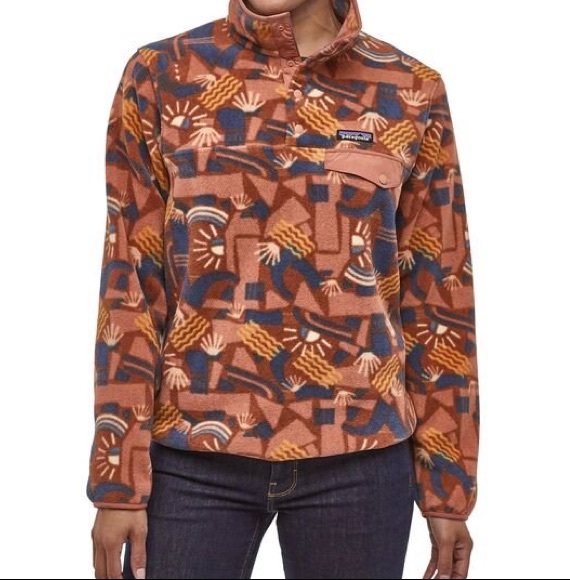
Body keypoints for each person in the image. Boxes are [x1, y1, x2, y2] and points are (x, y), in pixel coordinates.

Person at [88, 0, 479, 578]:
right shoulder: (162, 73)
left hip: (361, 458)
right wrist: (117, 477)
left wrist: (449, 488)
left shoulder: (410, 88)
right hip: (191, 459)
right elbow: (130, 285)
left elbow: (439, 293)